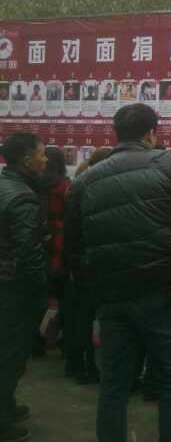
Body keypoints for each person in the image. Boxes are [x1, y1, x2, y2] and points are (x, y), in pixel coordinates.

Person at [64, 103, 171, 442]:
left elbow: (74, 247)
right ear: (152, 133)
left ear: (116, 133)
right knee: (170, 380)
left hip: (111, 294)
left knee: (113, 385)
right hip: (162, 290)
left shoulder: (86, 179)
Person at [0, 133, 48, 442]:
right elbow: (27, 253)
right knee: (10, 355)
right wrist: (39, 290)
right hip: (15, 289)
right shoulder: (23, 197)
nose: (46, 159)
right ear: (27, 160)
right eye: (42, 154)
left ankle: (6, 404)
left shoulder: (5, 184)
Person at [63, 147, 112, 386]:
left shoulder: (79, 184)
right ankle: (86, 366)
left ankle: (76, 364)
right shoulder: (97, 188)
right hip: (92, 260)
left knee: (81, 315)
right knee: (88, 317)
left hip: (81, 260)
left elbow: (70, 231)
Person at [34, 147, 71, 360]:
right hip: (60, 241)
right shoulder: (65, 185)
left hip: (37, 239)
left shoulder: (34, 184)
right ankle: (61, 340)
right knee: (63, 294)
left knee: (38, 293)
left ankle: (36, 343)